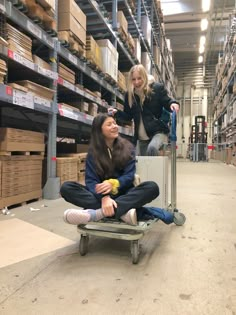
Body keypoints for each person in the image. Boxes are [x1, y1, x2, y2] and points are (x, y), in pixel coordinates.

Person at [60, 113, 183, 226]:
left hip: (124, 194)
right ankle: (123, 213)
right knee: (66, 188)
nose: (115, 126)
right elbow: (91, 181)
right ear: (99, 130)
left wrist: (114, 184)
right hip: (100, 196)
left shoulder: (127, 148)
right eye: (109, 124)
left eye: (114, 123)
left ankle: (97, 214)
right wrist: (105, 197)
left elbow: (129, 176)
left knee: (152, 187)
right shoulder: (93, 153)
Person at [109, 64, 179, 156]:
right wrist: (116, 113)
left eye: (139, 78)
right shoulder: (130, 95)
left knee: (152, 148)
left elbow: (167, 101)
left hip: (158, 132)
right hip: (141, 137)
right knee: (144, 166)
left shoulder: (156, 89)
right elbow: (128, 116)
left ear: (144, 77)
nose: (136, 82)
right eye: (133, 79)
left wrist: (173, 103)